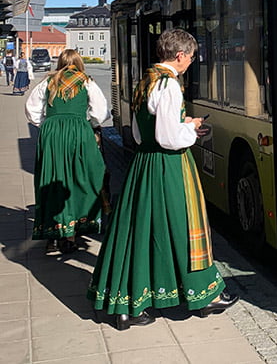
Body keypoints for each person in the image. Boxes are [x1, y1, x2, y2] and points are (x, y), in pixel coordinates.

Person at [87, 28, 238, 330]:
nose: (191, 63)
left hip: (144, 164)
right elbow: (168, 137)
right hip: (168, 166)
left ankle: (128, 304)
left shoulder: (147, 79)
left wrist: (183, 124)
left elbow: (145, 132)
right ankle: (203, 294)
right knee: (184, 226)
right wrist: (192, 130)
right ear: (180, 55)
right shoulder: (169, 84)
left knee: (139, 229)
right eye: (192, 57)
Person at [25, 49, 109, 255]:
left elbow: (31, 110)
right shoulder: (86, 81)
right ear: (79, 63)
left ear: (60, 62)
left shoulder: (48, 81)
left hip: (52, 134)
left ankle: (52, 232)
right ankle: (72, 234)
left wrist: (48, 125)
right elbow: (101, 113)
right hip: (80, 132)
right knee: (83, 177)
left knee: (52, 179)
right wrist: (86, 123)